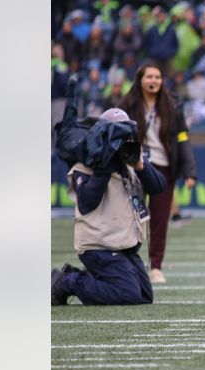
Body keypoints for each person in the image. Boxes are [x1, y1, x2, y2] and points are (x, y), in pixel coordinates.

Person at [52, 107, 166, 306]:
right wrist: (103, 167)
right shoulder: (85, 165)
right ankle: (67, 282)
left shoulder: (130, 159)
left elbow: (158, 187)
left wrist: (141, 165)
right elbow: (87, 202)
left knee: (144, 297)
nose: (119, 143)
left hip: (124, 245)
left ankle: (80, 277)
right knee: (128, 294)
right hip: (99, 246)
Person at [119, 62, 198, 285]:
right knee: (131, 218)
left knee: (160, 220)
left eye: (157, 77)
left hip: (163, 169)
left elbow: (183, 139)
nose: (154, 81)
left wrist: (189, 172)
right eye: (149, 77)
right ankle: (128, 264)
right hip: (135, 168)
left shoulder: (172, 105)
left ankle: (155, 267)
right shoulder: (128, 104)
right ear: (140, 80)